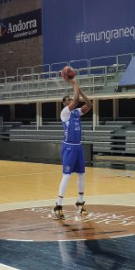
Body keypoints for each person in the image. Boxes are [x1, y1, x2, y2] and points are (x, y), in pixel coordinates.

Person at [53, 78, 92, 219]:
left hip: (78, 146)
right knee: (67, 175)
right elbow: (76, 100)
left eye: (70, 99)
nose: (70, 100)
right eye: (67, 100)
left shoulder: (76, 112)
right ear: (64, 104)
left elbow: (89, 105)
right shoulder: (65, 113)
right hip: (69, 147)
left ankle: (80, 203)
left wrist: (80, 91)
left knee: (82, 174)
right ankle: (58, 204)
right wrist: (74, 83)